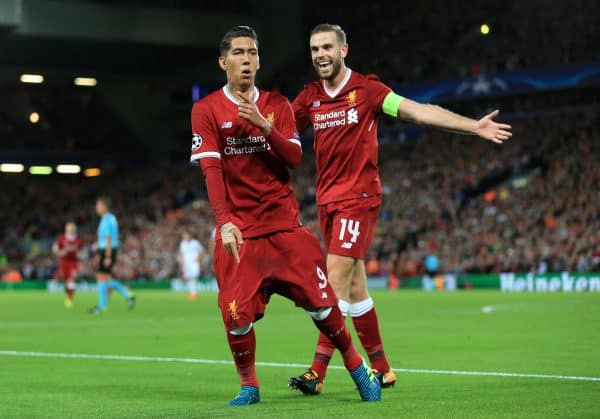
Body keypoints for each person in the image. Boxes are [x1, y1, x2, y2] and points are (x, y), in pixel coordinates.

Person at [289, 23, 512, 394]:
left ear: (344, 50)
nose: (320, 55)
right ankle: (383, 368)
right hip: (327, 202)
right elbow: (280, 131)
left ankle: (317, 372)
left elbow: (419, 112)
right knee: (355, 288)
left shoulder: (368, 91)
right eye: (314, 49)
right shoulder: (309, 98)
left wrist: (473, 126)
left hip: (358, 199)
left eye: (327, 47)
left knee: (331, 284)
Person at [190, 25, 381, 406]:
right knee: (235, 317)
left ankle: (359, 368)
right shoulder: (206, 110)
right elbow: (211, 170)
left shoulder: (277, 105)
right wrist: (223, 220)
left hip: (284, 228)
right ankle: (249, 386)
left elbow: (293, 158)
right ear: (223, 61)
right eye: (240, 53)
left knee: (325, 305)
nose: (247, 60)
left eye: (253, 53)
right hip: (240, 233)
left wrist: (263, 124)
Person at [89, 196, 136, 314]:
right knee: (105, 278)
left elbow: (108, 238)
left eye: (98, 205)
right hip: (108, 250)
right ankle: (128, 295)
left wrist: (108, 256)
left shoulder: (107, 219)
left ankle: (102, 306)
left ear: (105, 207)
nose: (97, 208)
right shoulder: (110, 218)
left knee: (101, 278)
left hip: (108, 250)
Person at [52, 221, 83, 308]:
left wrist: (80, 255)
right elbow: (55, 249)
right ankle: (68, 295)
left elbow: (82, 251)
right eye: (69, 227)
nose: (71, 229)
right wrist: (60, 253)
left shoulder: (78, 240)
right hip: (63, 262)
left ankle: (70, 299)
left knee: (71, 280)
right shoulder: (61, 238)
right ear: (66, 229)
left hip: (73, 263)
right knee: (66, 282)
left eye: (72, 227)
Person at [178, 229, 206, 300]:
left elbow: (202, 251)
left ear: (189, 235)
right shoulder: (182, 244)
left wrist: (199, 258)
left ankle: (193, 293)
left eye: (186, 235)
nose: (185, 236)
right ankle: (192, 293)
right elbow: (181, 254)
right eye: (184, 235)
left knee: (193, 277)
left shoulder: (195, 243)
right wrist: (181, 263)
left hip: (194, 263)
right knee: (189, 278)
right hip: (186, 264)